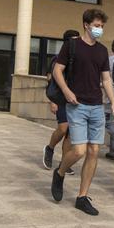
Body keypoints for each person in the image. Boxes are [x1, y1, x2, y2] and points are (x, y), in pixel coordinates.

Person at [50, 9, 114, 216]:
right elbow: (57, 70)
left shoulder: (101, 51)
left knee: (93, 152)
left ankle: (82, 196)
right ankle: (60, 172)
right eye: (97, 25)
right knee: (79, 151)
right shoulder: (71, 45)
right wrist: (66, 90)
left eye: (102, 26)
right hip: (76, 105)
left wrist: (113, 103)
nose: (99, 29)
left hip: (97, 106)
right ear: (86, 25)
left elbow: (106, 79)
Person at [43, 30, 78, 175]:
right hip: (60, 99)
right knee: (63, 128)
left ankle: (65, 162)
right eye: (74, 41)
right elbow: (50, 81)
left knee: (70, 133)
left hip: (75, 100)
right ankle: (50, 148)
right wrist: (52, 101)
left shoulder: (78, 59)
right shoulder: (57, 59)